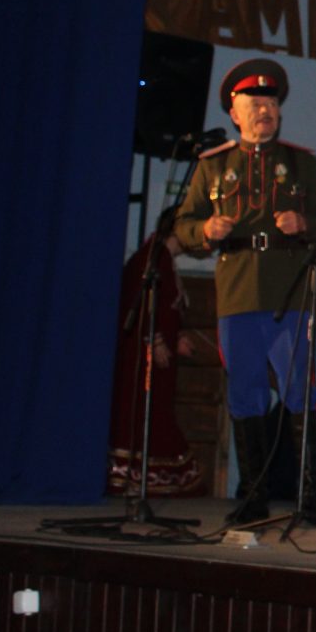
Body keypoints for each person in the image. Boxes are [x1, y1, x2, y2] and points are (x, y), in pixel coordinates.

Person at [174, 58, 316, 523]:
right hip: (237, 291)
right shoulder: (214, 166)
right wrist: (205, 229)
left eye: (270, 103)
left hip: (287, 291)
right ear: (235, 113)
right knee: (245, 392)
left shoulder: (300, 163)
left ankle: (310, 499)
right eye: (255, 104)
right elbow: (183, 225)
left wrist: (304, 223)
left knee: (298, 390)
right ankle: (253, 496)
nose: (265, 110)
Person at [106, 209, 203, 496]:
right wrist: (157, 340)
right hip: (144, 357)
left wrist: (177, 337)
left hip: (161, 357)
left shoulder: (165, 261)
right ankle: (133, 475)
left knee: (158, 410)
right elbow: (142, 305)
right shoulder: (151, 260)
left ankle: (150, 475)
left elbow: (166, 309)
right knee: (144, 411)